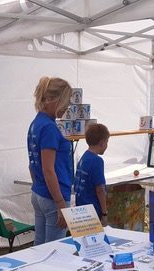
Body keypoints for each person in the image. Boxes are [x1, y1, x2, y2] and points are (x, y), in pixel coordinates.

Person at [27, 77, 73, 245]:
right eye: (66, 102)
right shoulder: (49, 128)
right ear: (55, 100)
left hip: (39, 192)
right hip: (53, 197)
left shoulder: (36, 123)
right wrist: (60, 203)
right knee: (55, 250)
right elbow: (48, 169)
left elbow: (32, 164)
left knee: (40, 245)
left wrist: (38, 186)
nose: (67, 107)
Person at [74, 123, 110, 226]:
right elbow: (100, 189)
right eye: (107, 142)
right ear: (102, 143)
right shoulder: (97, 161)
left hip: (81, 208)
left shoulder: (84, 157)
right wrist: (104, 213)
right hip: (92, 211)